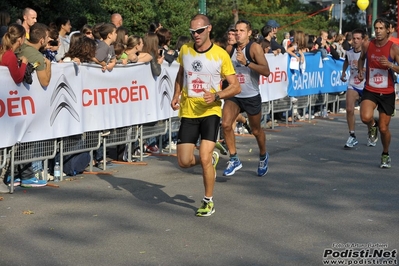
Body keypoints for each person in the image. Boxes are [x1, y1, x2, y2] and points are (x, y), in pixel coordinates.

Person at [170, 14, 240, 216]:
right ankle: (212, 157)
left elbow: (235, 86)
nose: (196, 35)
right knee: (184, 161)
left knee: (203, 155)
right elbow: (181, 73)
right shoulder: (185, 50)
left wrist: (217, 95)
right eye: (192, 32)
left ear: (208, 29)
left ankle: (208, 200)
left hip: (211, 111)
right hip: (189, 111)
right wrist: (176, 94)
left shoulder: (220, 55)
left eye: (199, 31)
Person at [221, 19, 270, 177]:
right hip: (235, 94)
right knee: (226, 124)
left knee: (256, 130)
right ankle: (234, 158)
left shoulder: (254, 48)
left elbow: (266, 71)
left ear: (249, 33)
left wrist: (247, 63)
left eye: (241, 31)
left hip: (251, 95)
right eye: (236, 30)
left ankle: (263, 156)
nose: (238, 33)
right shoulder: (230, 48)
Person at [358, 18, 399, 168]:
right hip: (370, 89)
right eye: (376, 28)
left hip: (387, 92)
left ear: (388, 30)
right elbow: (361, 59)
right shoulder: (368, 45)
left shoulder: (393, 48)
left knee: (384, 128)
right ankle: (371, 125)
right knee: (365, 117)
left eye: (381, 28)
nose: (378, 31)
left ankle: (385, 154)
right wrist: (360, 70)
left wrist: (390, 65)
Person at [340, 28, 366, 148]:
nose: (355, 41)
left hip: (366, 85)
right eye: (354, 39)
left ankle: (373, 128)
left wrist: (361, 68)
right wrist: (343, 72)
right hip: (353, 84)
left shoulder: (368, 53)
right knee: (349, 109)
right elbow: (346, 61)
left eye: (358, 39)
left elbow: (374, 68)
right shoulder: (349, 52)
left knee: (366, 117)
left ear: (363, 40)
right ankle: (352, 135)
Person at [16, 22, 51, 87]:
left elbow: (34, 65)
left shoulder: (18, 42)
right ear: (42, 40)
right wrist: (48, 64)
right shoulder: (38, 57)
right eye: (47, 37)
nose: (49, 39)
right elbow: (45, 83)